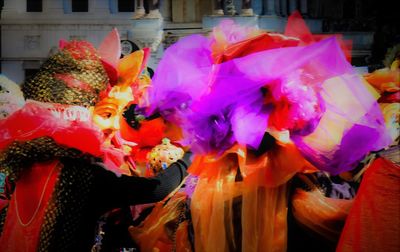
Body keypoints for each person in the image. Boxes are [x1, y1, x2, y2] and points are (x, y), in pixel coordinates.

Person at [0, 37, 190, 252]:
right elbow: (156, 189)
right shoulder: (83, 174)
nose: (114, 127)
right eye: (107, 114)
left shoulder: (31, 163)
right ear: (77, 118)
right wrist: (190, 156)